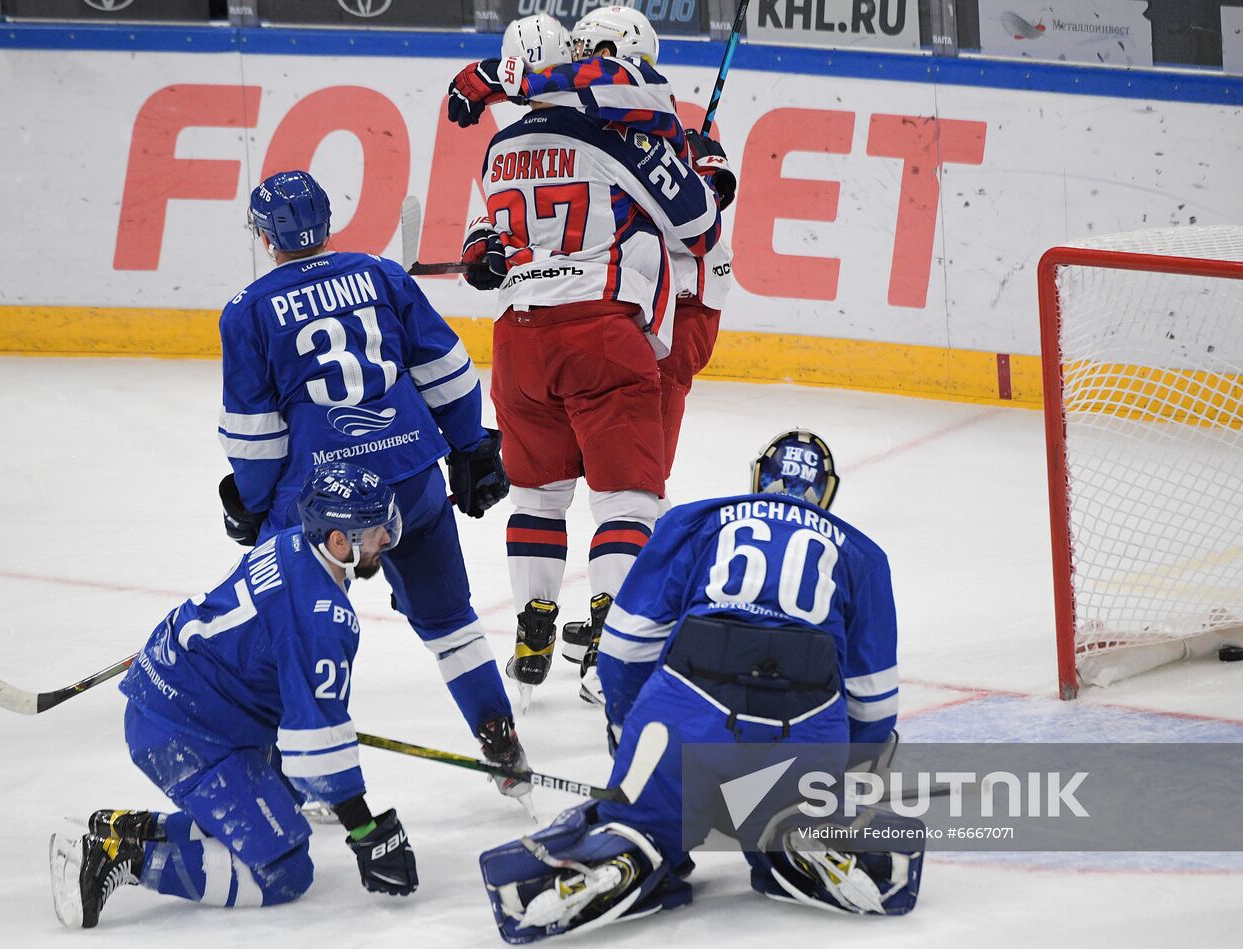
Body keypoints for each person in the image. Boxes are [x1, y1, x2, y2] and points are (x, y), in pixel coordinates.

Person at [478, 430, 922, 942]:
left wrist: (629, 733)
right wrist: (841, 787)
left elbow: (624, 648)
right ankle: (801, 833)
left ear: (759, 478)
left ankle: (630, 844)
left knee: (644, 818)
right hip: (806, 728)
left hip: (687, 712)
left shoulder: (696, 521)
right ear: (826, 493)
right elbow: (872, 703)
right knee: (793, 811)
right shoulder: (863, 555)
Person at [447, 7, 736, 698]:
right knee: (629, 495)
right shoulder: (634, 134)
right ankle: (617, 638)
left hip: (521, 339)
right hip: (614, 327)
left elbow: (496, 223)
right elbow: (698, 224)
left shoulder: (504, 147)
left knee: (540, 492)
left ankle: (533, 619)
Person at [216, 170, 527, 795]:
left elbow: (255, 435)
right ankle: (502, 742)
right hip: (410, 475)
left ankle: (299, 774)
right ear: (328, 221)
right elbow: (449, 370)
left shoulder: (247, 310)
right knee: (451, 622)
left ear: (261, 233)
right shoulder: (382, 274)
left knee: (294, 624)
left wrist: (254, 507)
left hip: (321, 500)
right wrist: (469, 446)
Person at [49, 463, 417, 929]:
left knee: (281, 810)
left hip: (187, 699)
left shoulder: (288, 543)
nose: (386, 538)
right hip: (184, 730)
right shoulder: (322, 616)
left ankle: (130, 828)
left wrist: (307, 716)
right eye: (375, 529)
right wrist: (367, 830)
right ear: (339, 541)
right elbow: (316, 748)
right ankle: (118, 855)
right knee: (283, 870)